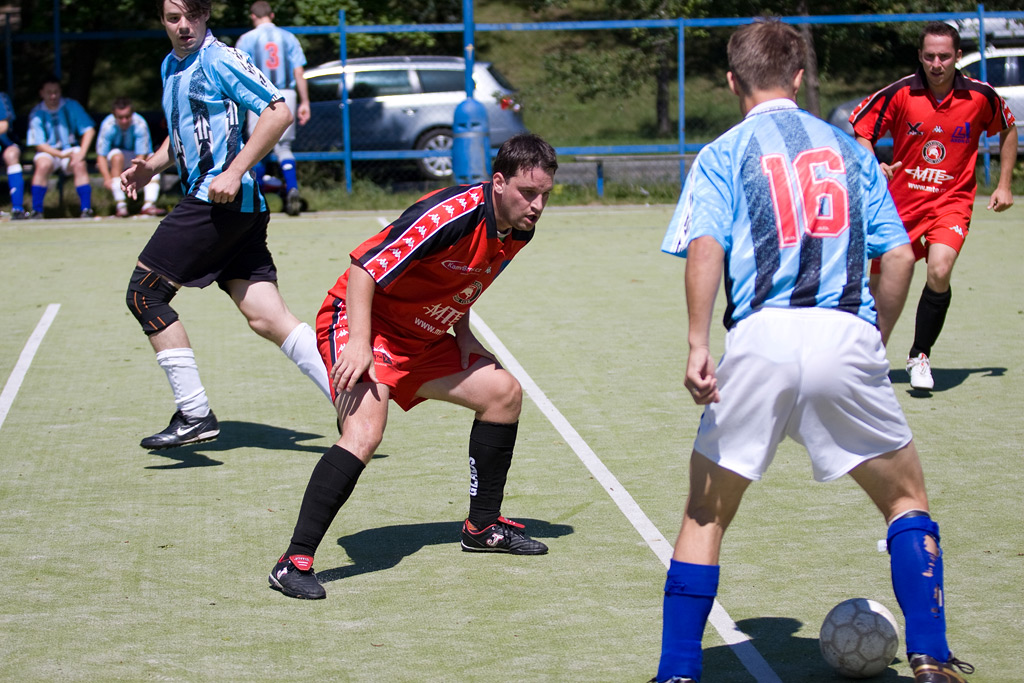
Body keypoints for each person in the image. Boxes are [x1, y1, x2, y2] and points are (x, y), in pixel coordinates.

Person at [653, 20, 973, 683]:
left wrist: (696, 342)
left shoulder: (722, 152)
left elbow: (706, 244)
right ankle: (931, 655)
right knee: (906, 500)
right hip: (842, 333)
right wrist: (871, 340)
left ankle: (679, 671)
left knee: (705, 514)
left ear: (733, 81)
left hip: (759, 340)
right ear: (799, 78)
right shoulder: (850, 150)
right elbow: (898, 257)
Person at [267, 133, 557, 601]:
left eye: (545, 195)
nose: (537, 205)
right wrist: (358, 343)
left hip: (420, 336)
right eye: (528, 192)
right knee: (365, 432)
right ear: (499, 182)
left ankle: (482, 527)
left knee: (503, 394)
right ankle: (292, 562)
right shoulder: (451, 214)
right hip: (363, 321)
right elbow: (364, 268)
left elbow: (463, 279)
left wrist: (464, 335)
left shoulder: (519, 228)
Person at [120, 0, 331, 450]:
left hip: (218, 201)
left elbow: (278, 111)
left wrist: (234, 171)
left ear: (205, 15)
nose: (184, 26)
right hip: (236, 208)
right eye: (173, 18)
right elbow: (183, 129)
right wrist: (150, 167)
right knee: (268, 317)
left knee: (145, 293)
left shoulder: (220, 58)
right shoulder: (171, 65)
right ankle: (352, 398)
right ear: (162, 22)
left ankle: (194, 413)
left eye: (191, 16)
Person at [850, 21, 1016, 391]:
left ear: (958, 56)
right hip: (900, 206)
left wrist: (1004, 184)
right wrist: (872, 164)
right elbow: (862, 129)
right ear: (920, 56)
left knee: (940, 270)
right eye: (929, 56)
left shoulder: (980, 96)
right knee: (880, 287)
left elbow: (1007, 128)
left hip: (951, 202)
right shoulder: (900, 93)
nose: (936, 64)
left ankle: (919, 355)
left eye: (944, 56)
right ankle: (867, 360)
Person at [235, 1, 310, 217]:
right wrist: (305, 101)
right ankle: (292, 186)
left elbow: (240, 72)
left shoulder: (246, 39)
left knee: (257, 145)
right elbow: (298, 71)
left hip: (258, 94)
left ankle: (256, 195)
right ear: (272, 15)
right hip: (286, 93)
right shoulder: (288, 37)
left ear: (253, 16)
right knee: (283, 146)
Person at [26, 76, 96, 219]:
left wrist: (82, 153)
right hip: (49, 151)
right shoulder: (36, 113)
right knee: (42, 165)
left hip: (70, 149)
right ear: (41, 93)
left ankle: (86, 209)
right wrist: (59, 154)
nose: (53, 96)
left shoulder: (72, 106)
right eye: (49, 92)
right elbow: (39, 144)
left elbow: (89, 130)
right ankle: (37, 210)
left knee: (79, 164)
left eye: (56, 92)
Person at [96, 97, 165, 218]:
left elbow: (141, 154)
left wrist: (134, 173)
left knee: (153, 161)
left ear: (132, 114)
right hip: (117, 158)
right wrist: (106, 178)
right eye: (120, 117)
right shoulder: (107, 125)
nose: (124, 121)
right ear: (114, 115)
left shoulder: (140, 124)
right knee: (117, 156)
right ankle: (121, 206)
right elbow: (101, 156)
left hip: (138, 156)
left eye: (127, 117)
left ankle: (149, 205)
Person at [1, 91, 27, 219]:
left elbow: (3, 125)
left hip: (5, 143)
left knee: (11, 155)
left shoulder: (1, 97)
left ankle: (18, 209)